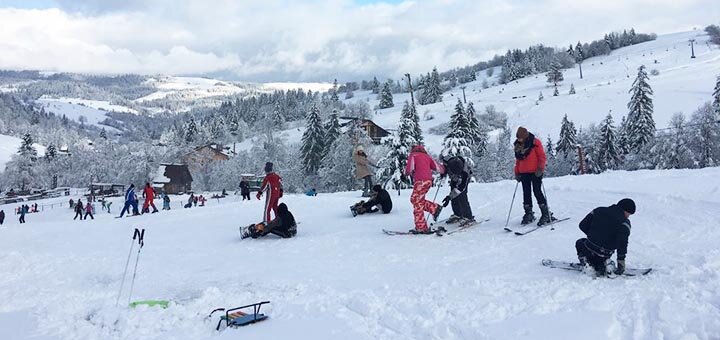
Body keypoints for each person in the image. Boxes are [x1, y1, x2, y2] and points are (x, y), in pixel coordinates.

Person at [575, 199, 636, 276]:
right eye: (628, 214)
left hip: (589, 248)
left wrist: (593, 235)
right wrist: (621, 262)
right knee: (601, 255)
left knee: (580, 242)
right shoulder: (624, 223)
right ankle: (604, 264)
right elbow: (622, 243)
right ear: (624, 209)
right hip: (606, 252)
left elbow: (582, 225)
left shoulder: (598, 210)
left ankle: (586, 263)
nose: (628, 216)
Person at [514, 127, 553, 226]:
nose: (519, 140)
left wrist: (540, 168)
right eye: (518, 138)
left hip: (536, 172)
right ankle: (528, 213)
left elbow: (541, 156)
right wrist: (517, 172)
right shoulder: (518, 145)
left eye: (521, 138)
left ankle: (546, 214)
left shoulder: (535, 143)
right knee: (526, 193)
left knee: (537, 191)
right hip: (524, 173)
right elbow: (518, 160)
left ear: (525, 136)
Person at [404, 145, 445, 233]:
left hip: (420, 181)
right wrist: (444, 170)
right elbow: (437, 167)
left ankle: (421, 227)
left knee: (416, 200)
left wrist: (406, 173)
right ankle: (434, 208)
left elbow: (409, 168)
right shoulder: (427, 156)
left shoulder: (413, 155)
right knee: (416, 199)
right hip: (428, 181)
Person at [442, 156, 474, 223]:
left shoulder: (464, 175)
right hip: (455, 178)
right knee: (454, 197)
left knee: (462, 196)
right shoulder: (450, 163)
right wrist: (444, 171)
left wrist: (449, 197)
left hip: (464, 179)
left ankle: (468, 217)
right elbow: (444, 163)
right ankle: (458, 214)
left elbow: (459, 189)